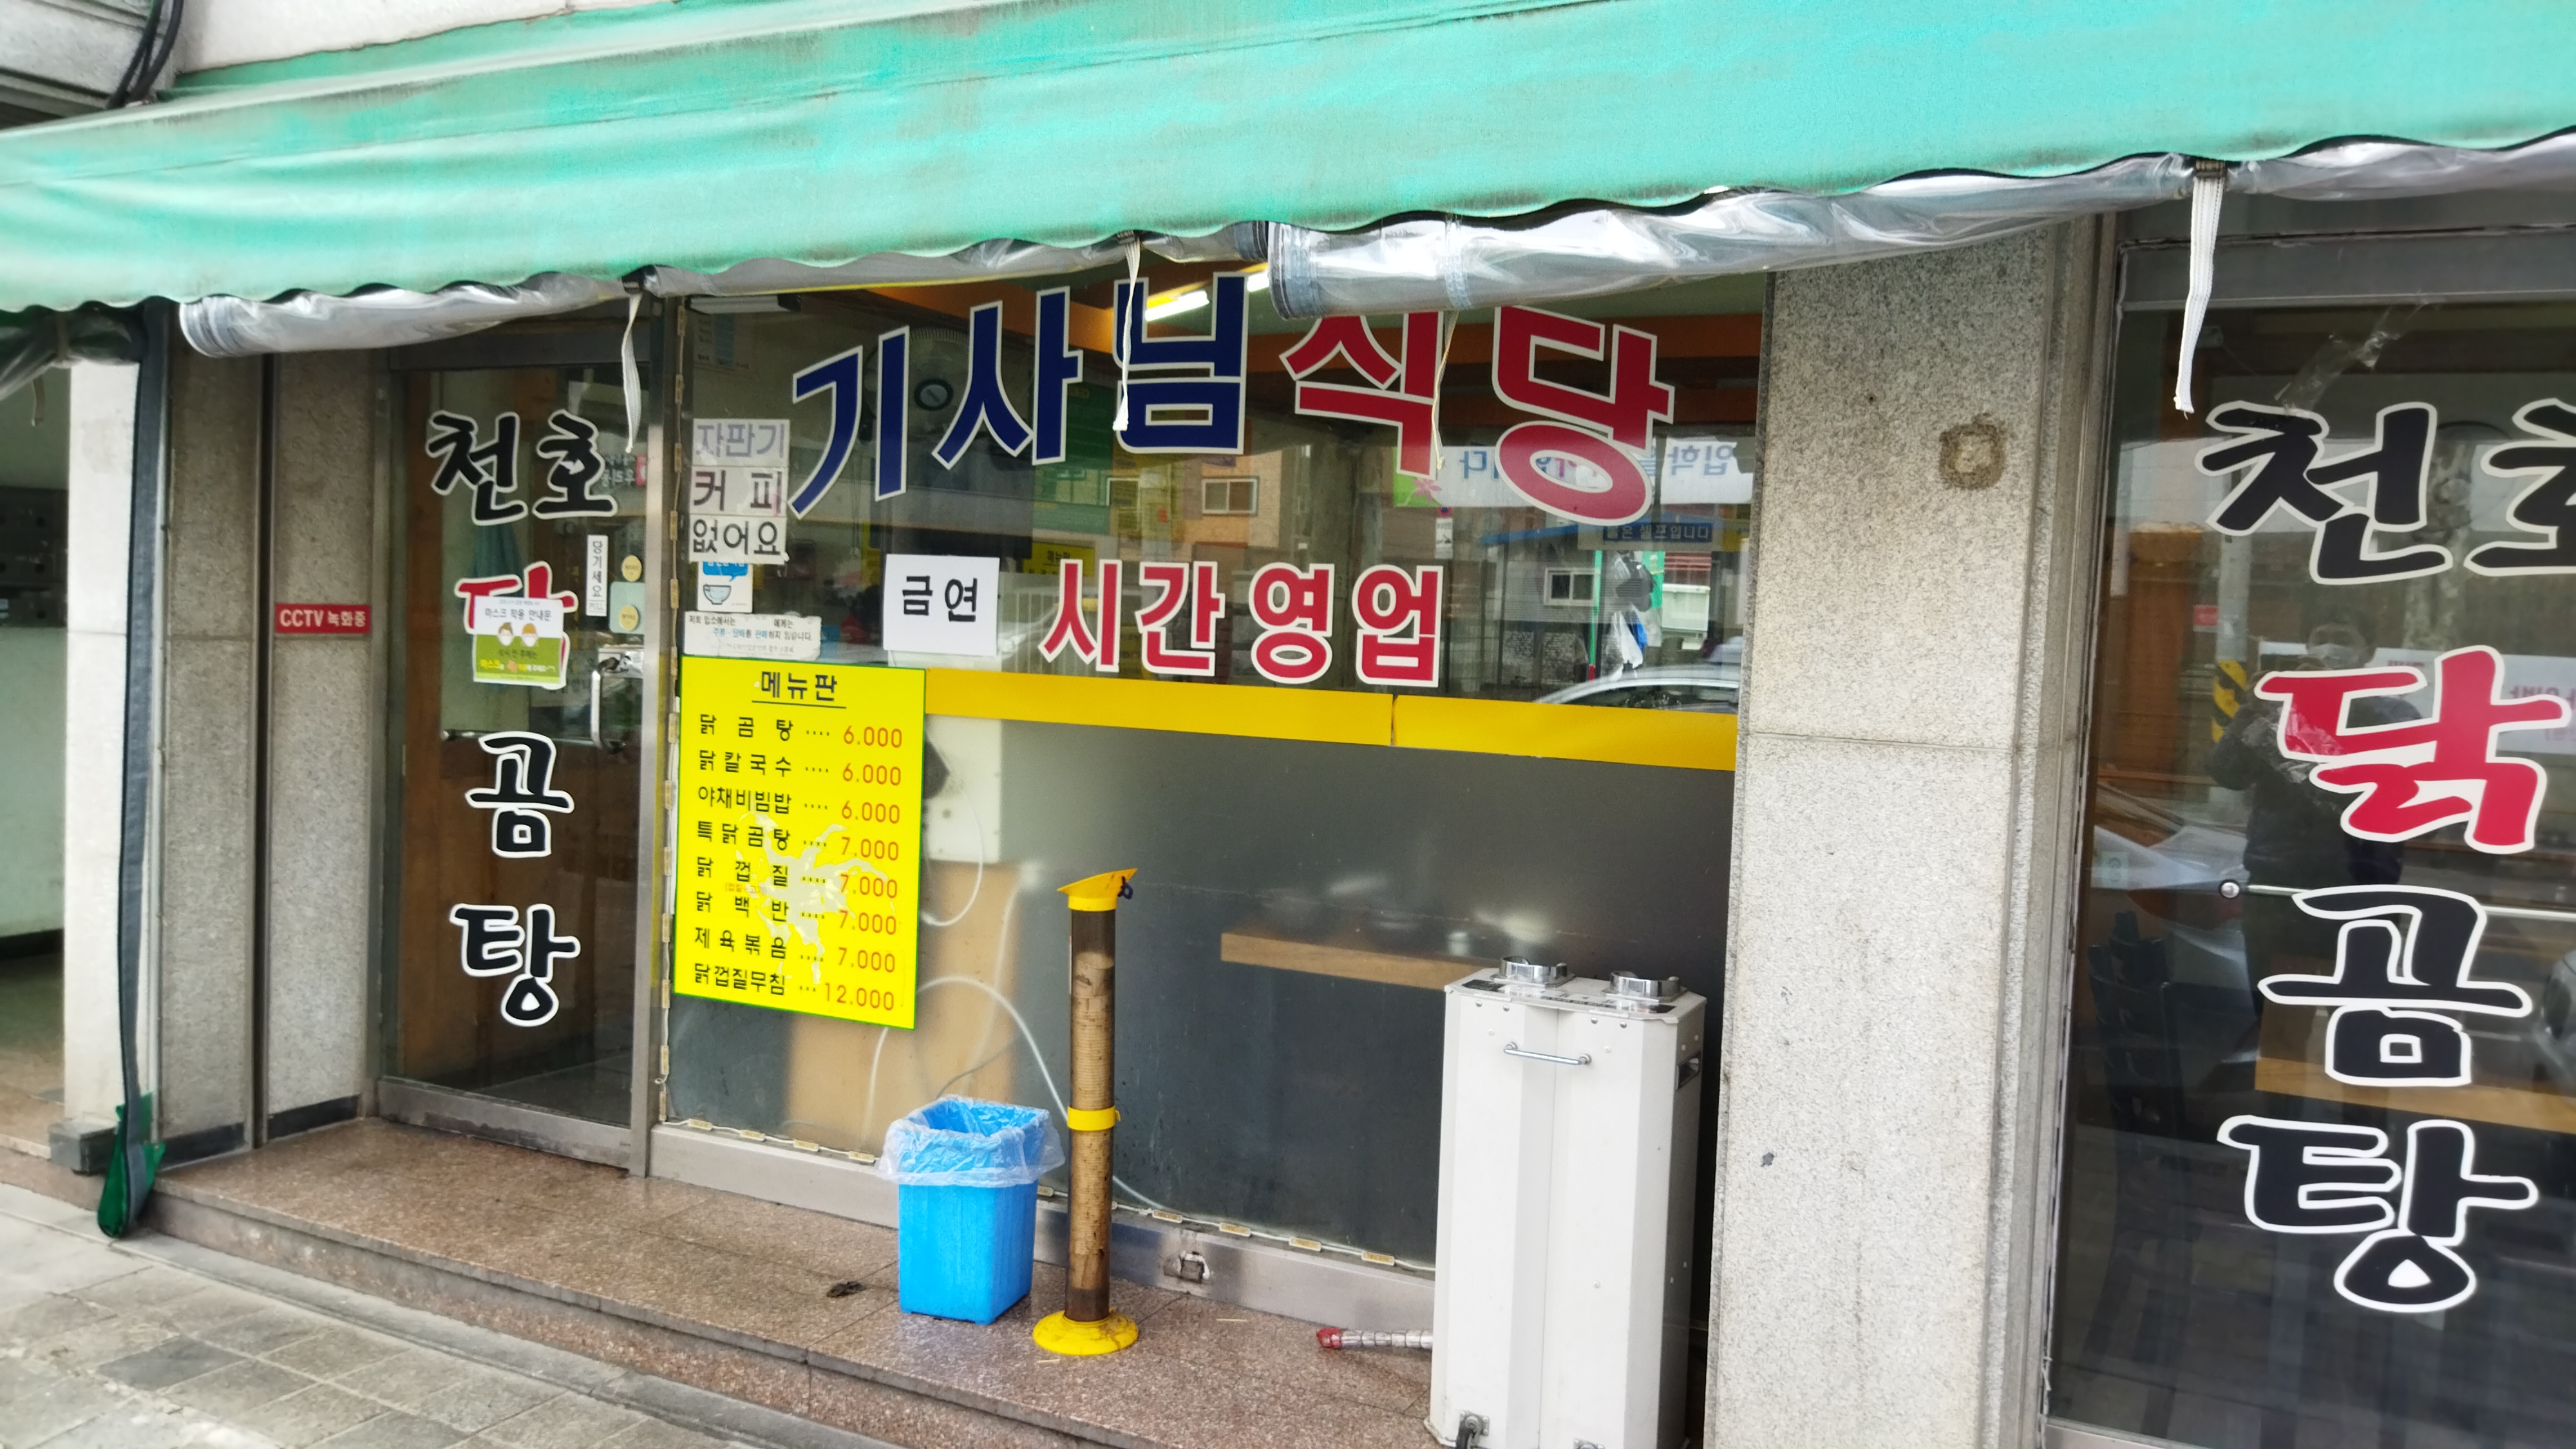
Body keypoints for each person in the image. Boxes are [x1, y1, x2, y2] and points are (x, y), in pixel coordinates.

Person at [2207, 616, 2416, 984]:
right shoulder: (2279, 710)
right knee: (2279, 1010)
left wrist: (2339, 699)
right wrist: (2252, 709)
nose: (2329, 646)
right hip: (2278, 885)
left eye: (2343, 638)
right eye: (2321, 637)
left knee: (2356, 1007)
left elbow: (2400, 781)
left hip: (2361, 884)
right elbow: (2227, 773)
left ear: (2368, 653)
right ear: (2307, 647)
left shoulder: (2392, 713)